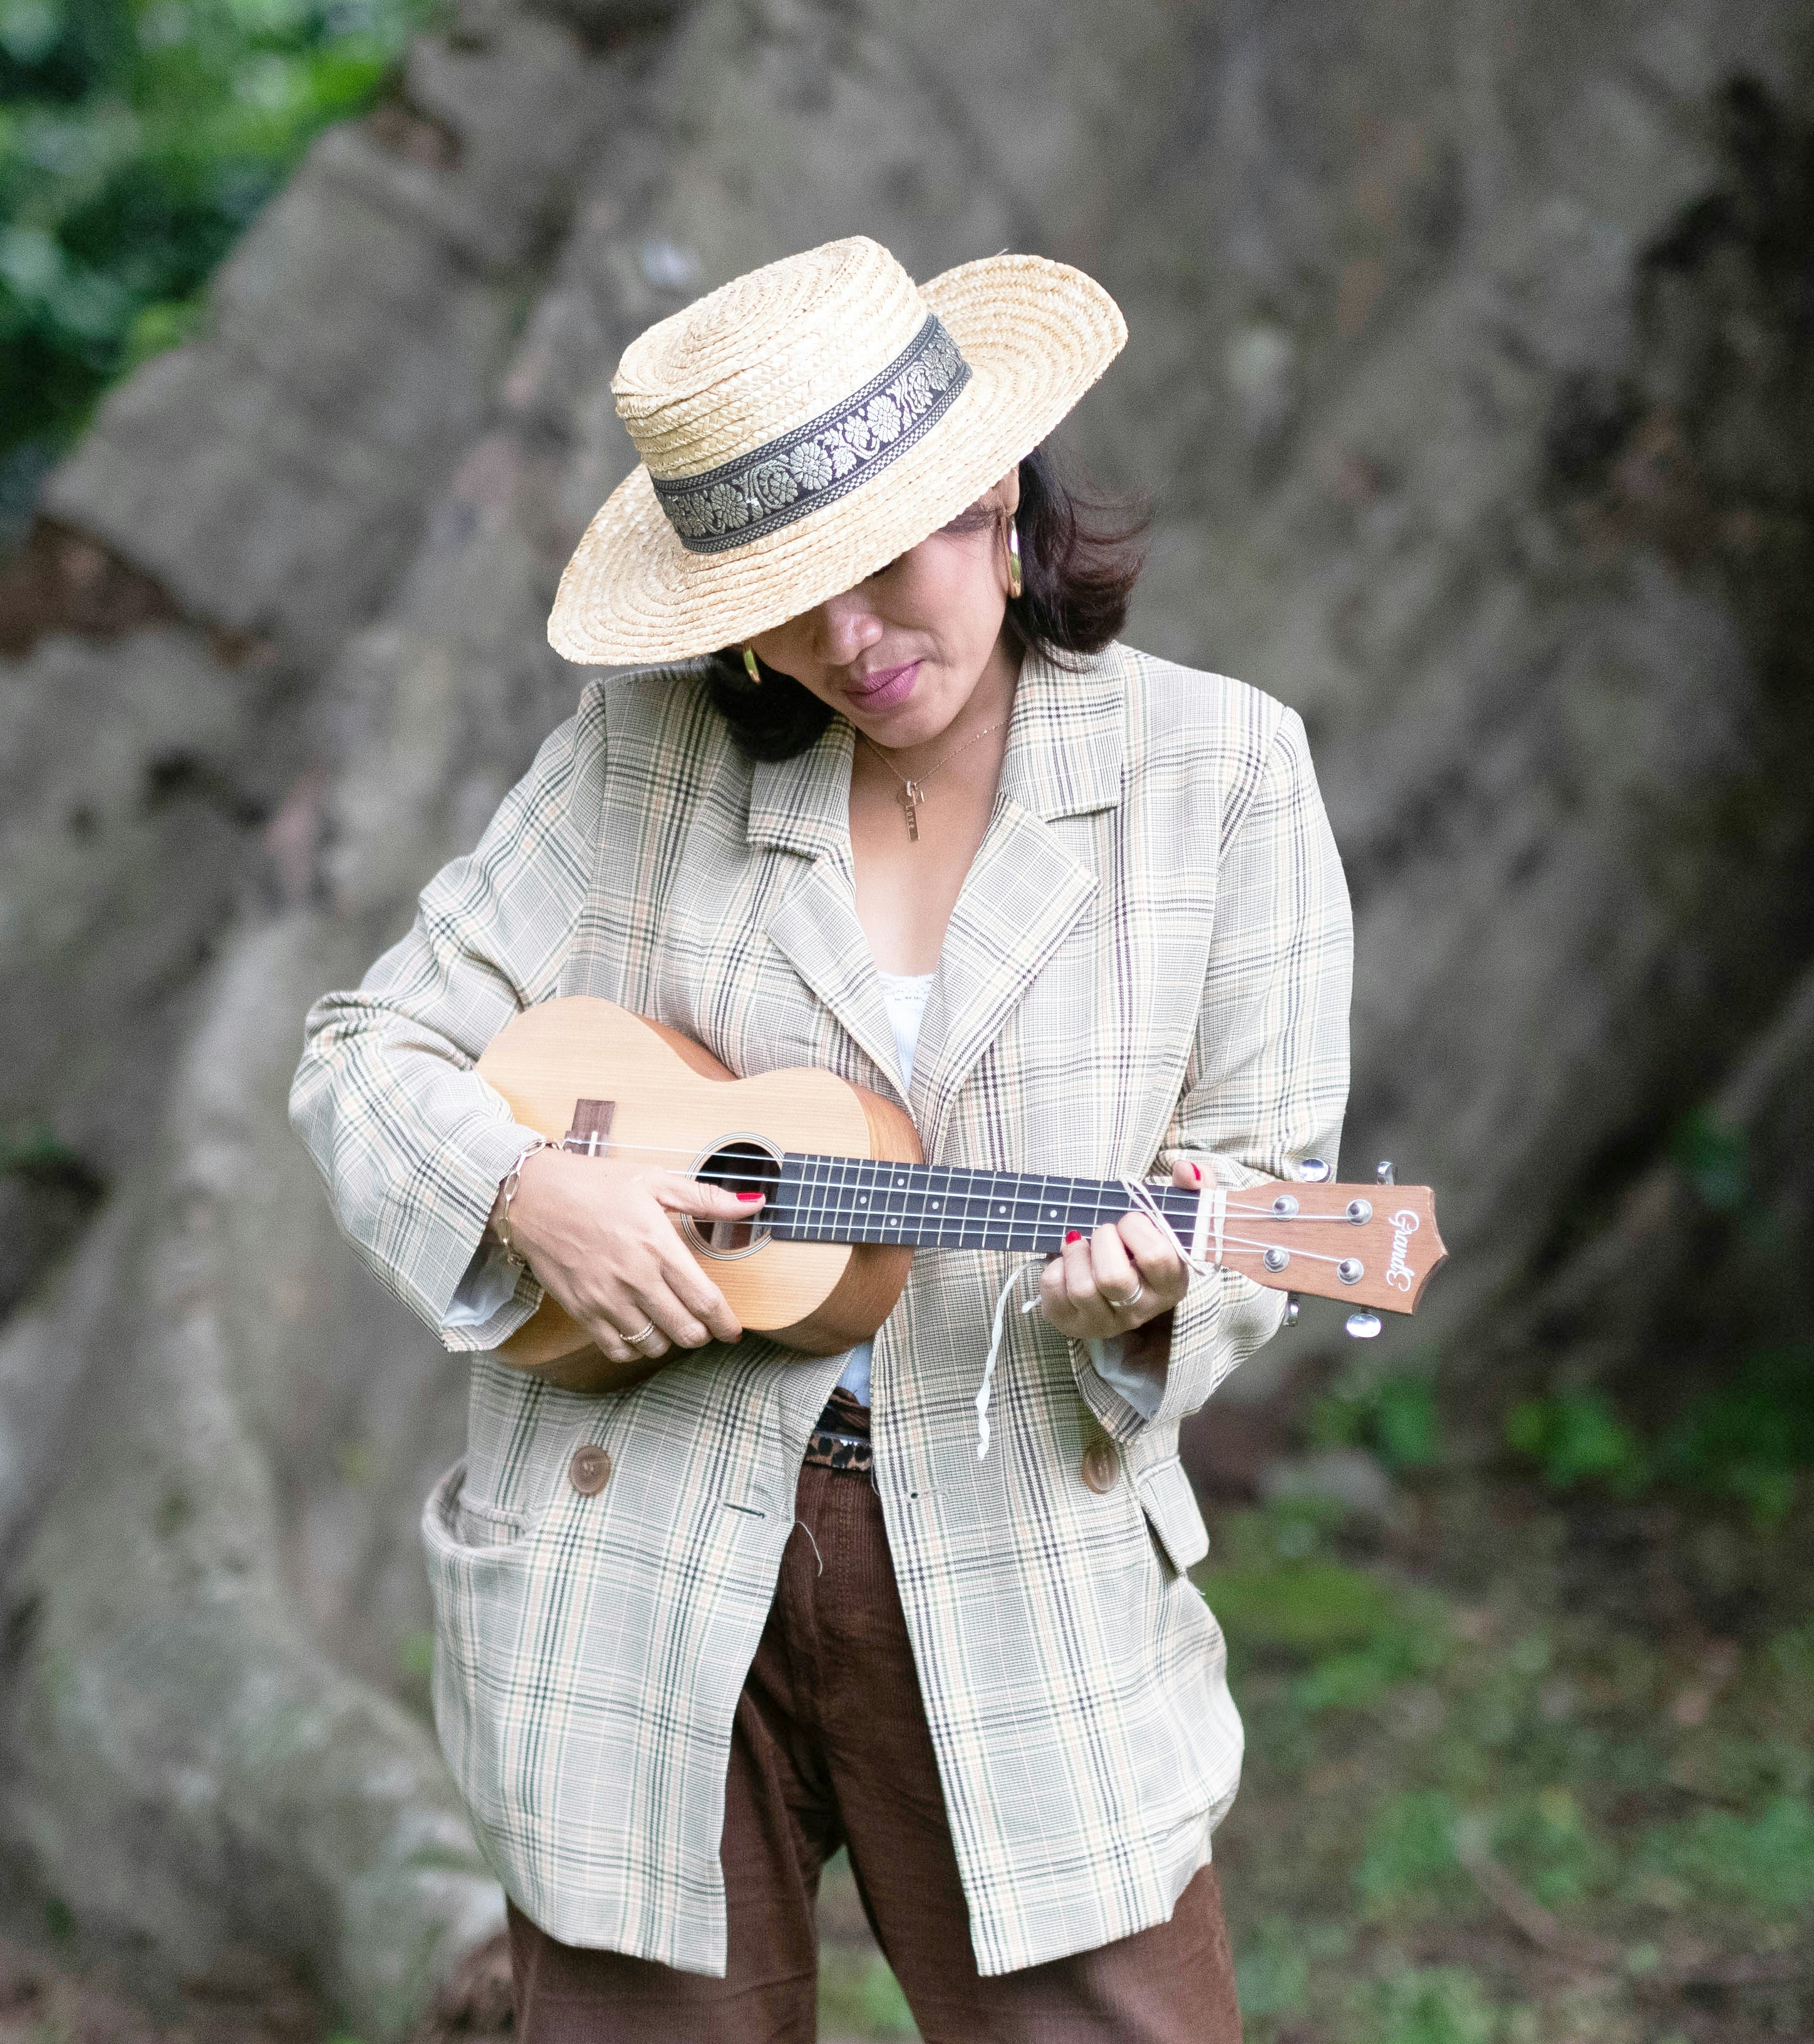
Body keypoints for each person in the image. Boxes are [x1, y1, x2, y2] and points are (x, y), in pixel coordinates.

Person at [290, 235, 1350, 2041]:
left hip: (1023, 1541)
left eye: (880, 572)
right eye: (786, 602)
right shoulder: (642, 758)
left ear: (994, 504)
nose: (847, 646)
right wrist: (526, 1188)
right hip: (631, 1553)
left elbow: (1269, 1183)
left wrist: (1158, 1292)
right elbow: (364, 1051)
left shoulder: (1221, 774)